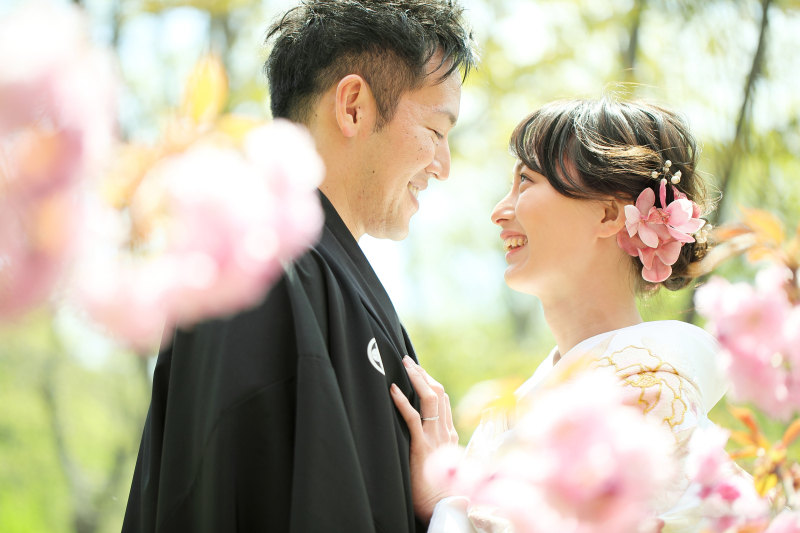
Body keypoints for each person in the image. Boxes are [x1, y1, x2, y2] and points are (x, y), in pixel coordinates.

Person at [122, 1, 477, 532]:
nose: (443, 165)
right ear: (354, 105)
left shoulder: (308, 271)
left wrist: (432, 506)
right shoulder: (266, 271)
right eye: (435, 130)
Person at [391, 97, 732, 533]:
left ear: (609, 213)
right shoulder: (523, 406)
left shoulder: (650, 389)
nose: (500, 211)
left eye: (526, 182)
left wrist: (445, 505)